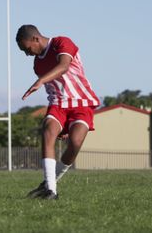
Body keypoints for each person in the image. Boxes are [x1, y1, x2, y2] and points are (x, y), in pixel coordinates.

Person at [16, 25, 100, 200]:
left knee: (75, 142)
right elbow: (53, 89)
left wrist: (40, 81)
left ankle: (50, 181)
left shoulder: (62, 42)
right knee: (48, 131)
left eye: (27, 49)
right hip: (59, 104)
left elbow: (63, 66)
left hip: (81, 102)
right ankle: (51, 191)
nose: (27, 54)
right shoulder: (38, 64)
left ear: (36, 39)